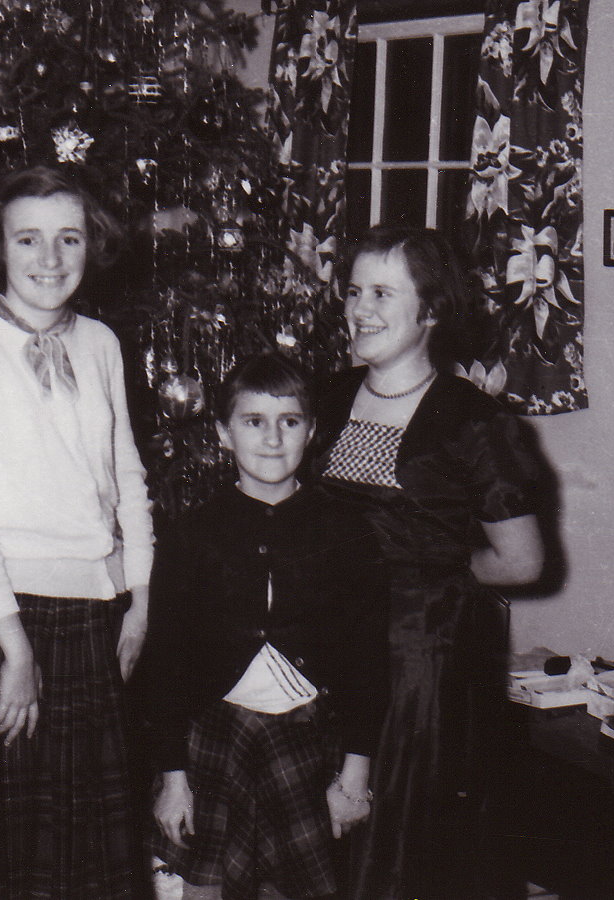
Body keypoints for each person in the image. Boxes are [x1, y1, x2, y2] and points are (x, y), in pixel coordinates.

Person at [0, 165, 153, 899]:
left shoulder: (102, 344)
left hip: (96, 619)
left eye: (69, 238)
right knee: (10, 865)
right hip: (6, 624)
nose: (50, 258)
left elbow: (127, 476)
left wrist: (140, 599)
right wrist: (15, 648)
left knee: (91, 863)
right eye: (29, 239)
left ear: (93, 245)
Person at [311, 226, 544, 900]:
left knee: (393, 848)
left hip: (415, 669)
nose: (360, 309)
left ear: (432, 310)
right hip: (322, 648)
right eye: (354, 291)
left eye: (383, 293)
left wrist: (426, 576)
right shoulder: (326, 397)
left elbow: (522, 562)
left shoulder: (474, 422)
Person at [139, 353, 388, 900]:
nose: (272, 438)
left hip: (306, 744)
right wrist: (174, 779)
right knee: (204, 889)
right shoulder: (191, 534)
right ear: (224, 434)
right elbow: (167, 665)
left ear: (311, 431)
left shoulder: (347, 532)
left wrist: (354, 776)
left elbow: (369, 663)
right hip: (216, 742)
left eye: (289, 421)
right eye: (254, 421)